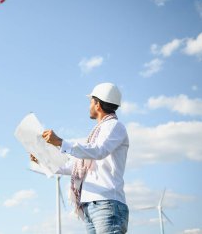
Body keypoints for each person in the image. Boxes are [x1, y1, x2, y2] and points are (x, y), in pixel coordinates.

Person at [32, 82, 129, 234]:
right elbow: (73, 167)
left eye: (91, 101)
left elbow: (99, 151)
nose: (89, 106)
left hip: (107, 204)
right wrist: (42, 159)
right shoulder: (96, 133)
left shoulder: (115, 126)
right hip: (91, 206)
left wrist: (60, 142)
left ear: (97, 104)